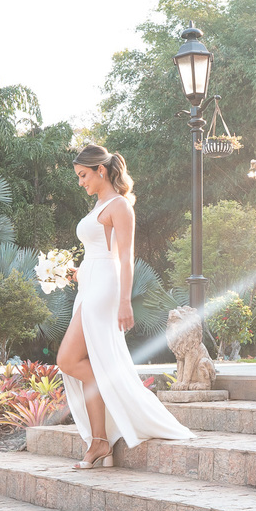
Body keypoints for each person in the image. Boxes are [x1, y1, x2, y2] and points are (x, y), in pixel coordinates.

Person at [56, 145, 193, 469]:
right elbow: (96, 253)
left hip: (105, 289)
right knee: (81, 362)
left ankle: (107, 427)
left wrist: (124, 301)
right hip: (89, 285)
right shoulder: (98, 205)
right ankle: (99, 441)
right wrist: (76, 272)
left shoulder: (120, 206)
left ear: (101, 171)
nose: (81, 182)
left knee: (67, 360)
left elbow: (124, 258)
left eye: (83, 175)